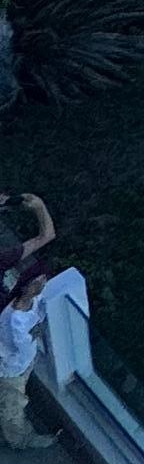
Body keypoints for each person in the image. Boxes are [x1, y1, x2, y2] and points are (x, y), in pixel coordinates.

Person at [0, 192, 58, 449]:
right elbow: (46, 236)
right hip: (6, 351)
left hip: (7, 335)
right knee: (12, 399)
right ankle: (19, 439)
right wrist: (39, 207)